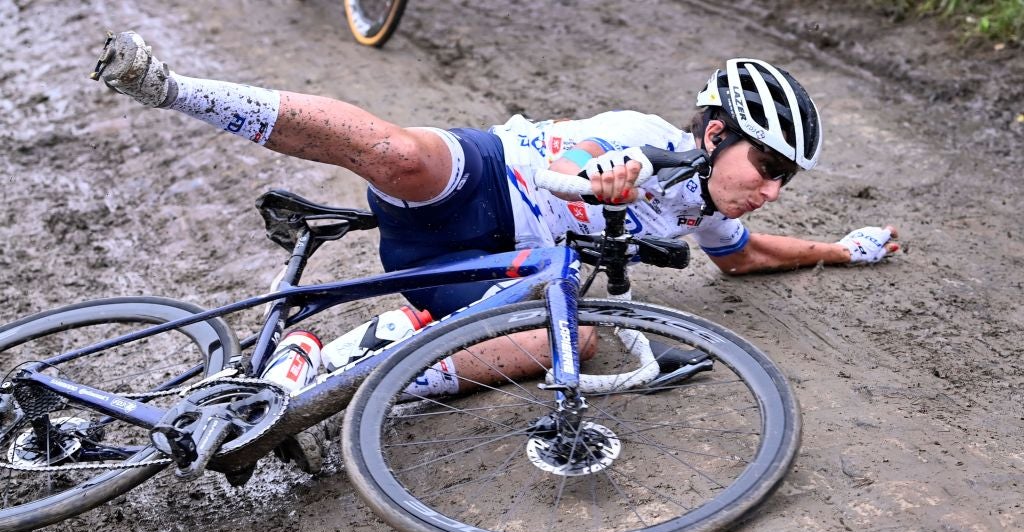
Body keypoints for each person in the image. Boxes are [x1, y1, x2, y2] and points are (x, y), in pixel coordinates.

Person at [92, 32, 899, 318]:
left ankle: (337, 367)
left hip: (487, 276)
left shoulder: (705, 211)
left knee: (573, 337)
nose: (772, 186)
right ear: (716, 133)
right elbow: (564, 159)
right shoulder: (641, 137)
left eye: (785, 176)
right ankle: (175, 90)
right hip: (483, 182)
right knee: (401, 154)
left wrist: (845, 249)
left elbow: (746, 254)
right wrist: (596, 180)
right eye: (766, 164)